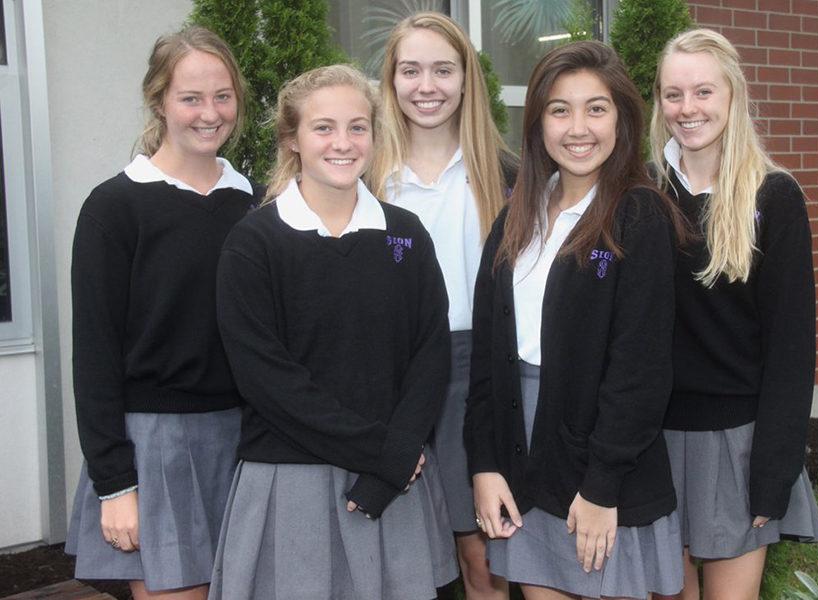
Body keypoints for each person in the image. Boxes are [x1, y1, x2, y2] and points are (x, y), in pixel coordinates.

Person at [209, 64, 457, 600]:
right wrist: (381, 451)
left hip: (395, 482)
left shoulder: (405, 235)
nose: (342, 143)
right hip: (293, 478)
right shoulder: (254, 244)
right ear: (292, 139)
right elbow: (265, 378)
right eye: (323, 128)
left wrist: (391, 464)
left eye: (357, 127)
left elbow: (431, 352)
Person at [464, 40, 687, 600]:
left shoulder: (638, 214)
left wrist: (601, 486)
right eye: (559, 110)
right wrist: (485, 464)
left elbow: (640, 368)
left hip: (602, 469)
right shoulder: (517, 216)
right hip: (524, 462)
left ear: (622, 120)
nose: (577, 127)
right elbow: (489, 359)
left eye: (596, 108)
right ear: (538, 122)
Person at [65, 26, 261, 600]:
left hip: (244, 441)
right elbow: (94, 355)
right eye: (190, 97)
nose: (209, 113)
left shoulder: (247, 201)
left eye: (222, 96)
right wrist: (115, 482)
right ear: (159, 100)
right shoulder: (115, 207)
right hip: (153, 449)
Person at [649, 28, 818, 600]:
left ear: (733, 95)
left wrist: (773, 470)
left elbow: (792, 349)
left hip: (737, 441)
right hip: (650, 437)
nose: (687, 109)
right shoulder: (641, 194)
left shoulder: (773, 197)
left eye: (703, 92)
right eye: (673, 94)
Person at [367, 12, 517, 599]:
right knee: (393, 554)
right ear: (391, 80)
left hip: (473, 376)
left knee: (483, 556)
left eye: (443, 70)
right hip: (386, 378)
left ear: (467, 80)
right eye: (411, 70)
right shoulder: (365, 176)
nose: (426, 86)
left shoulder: (507, 177)